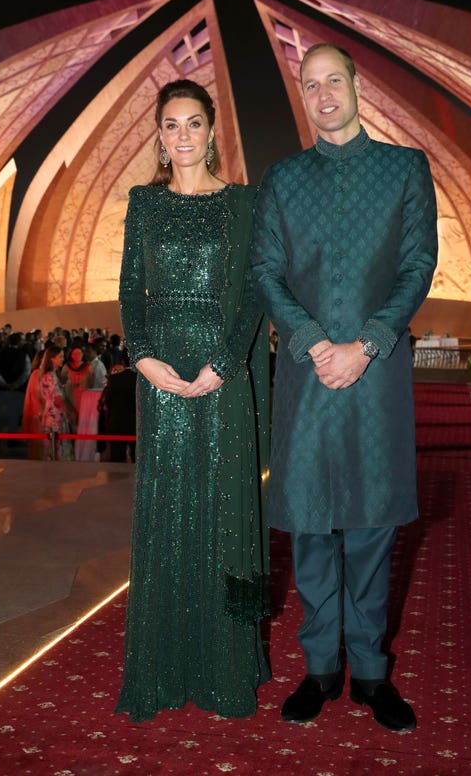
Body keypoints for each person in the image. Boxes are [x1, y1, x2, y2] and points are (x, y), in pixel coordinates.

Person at [251, 43, 439, 731]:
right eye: (311, 84)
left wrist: (367, 344)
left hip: (375, 377)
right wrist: (312, 343)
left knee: (369, 529)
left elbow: (417, 266)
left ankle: (372, 673)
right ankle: (320, 670)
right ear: (303, 95)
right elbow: (267, 271)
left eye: (335, 80)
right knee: (308, 530)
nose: (324, 93)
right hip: (306, 381)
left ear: (357, 86)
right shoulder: (283, 180)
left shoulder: (403, 169)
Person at [114, 78, 270, 722]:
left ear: (212, 133)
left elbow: (258, 292)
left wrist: (224, 363)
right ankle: (162, 666)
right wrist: (142, 357)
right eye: (171, 124)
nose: (182, 135)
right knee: (167, 513)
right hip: (162, 380)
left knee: (225, 516)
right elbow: (130, 291)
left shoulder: (244, 204)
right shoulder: (142, 205)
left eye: (194, 124)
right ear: (159, 134)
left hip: (220, 380)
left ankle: (227, 667)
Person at [38, 345, 75, 461]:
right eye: (60, 356)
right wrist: (68, 412)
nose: (63, 359)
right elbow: (57, 397)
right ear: (52, 358)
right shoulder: (50, 376)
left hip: (52, 414)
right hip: (55, 417)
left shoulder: (49, 375)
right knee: (57, 449)